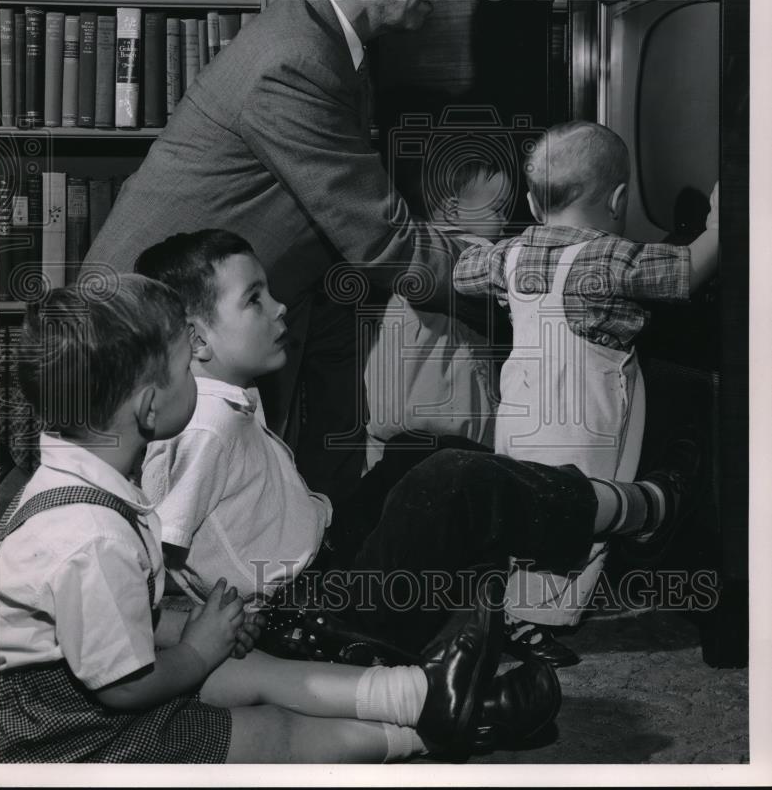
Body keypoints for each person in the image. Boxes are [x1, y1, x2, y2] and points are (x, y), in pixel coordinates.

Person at [0, 275, 558, 764]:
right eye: (186, 367)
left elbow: (115, 616)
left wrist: (195, 628)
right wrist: (196, 650)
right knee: (273, 732)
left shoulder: (90, 485)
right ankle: (435, 734)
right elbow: (122, 686)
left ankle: (424, 691)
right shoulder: (88, 537)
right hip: (63, 730)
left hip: (87, 680)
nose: (198, 374)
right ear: (148, 407)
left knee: (255, 670)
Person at [82, 0, 470, 503]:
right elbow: (382, 242)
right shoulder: (296, 61)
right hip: (135, 361)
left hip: (195, 348)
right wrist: (529, 274)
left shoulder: (331, 47)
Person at [134, 228, 705, 658]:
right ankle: (642, 509)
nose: (279, 306)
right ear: (196, 339)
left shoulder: (223, 399)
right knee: (451, 480)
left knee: (417, 451)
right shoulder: (206, 424)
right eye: (254, 298)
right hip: (312, 618)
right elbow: (156, 542)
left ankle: (497, 595)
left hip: (327, 564)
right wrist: (196, 635)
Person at [453, 119, 719, 667]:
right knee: (581, 518)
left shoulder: (512, 254)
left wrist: (481, 244)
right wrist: (722, 222)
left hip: (523, 414)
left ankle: (512, 612)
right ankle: (529, 622)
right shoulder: (610, 258)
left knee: (532, 514)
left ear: (530, 199)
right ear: (619, 199)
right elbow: (686, 272)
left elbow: (463, 271)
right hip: (584, 416)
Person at [364, 140, 512, 468]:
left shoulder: (403, 253)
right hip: (450, 426)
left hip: (385, 425)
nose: (504, 222)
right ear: (451, 210)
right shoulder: (474, 253)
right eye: (497, 209)